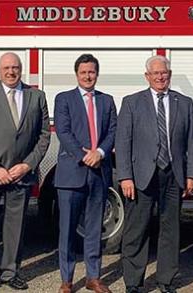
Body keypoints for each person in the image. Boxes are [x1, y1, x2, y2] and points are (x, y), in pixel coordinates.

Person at [0, 52, 51, 293]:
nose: (11, 72)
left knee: (15, 227)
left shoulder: (36, 96)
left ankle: (10, 272)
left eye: (15, 67)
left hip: (21, 175)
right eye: (6, 68)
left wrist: (27, 165)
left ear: (21, 69)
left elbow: (44, 135)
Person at [116, 55, 193, 293]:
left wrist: (192, 175)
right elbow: (123, 142)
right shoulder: (132, 103)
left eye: (164, 73)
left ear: (169, 75)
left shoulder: (184, 103)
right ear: (147, 76)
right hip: (141, 177)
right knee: (136, 230)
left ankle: (166, 280)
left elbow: (192, 142)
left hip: (173, 175)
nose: (160, 77)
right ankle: (133, 282)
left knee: (171, 230)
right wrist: (125, 176)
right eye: (156, 73)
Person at [52, 54, 117, 293]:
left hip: (99, 172)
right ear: (76, 74)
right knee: (68, 230)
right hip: (72, 173)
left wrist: (100, 152)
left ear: (97, 74)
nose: (88, 76)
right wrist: (84, 156)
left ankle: (93, 277)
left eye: (91, 72)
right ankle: (67, 280)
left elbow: (113, 131)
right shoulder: (64, 99)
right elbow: (63, 132)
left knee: (94, 228)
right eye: (83, 72)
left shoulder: (107, 100)